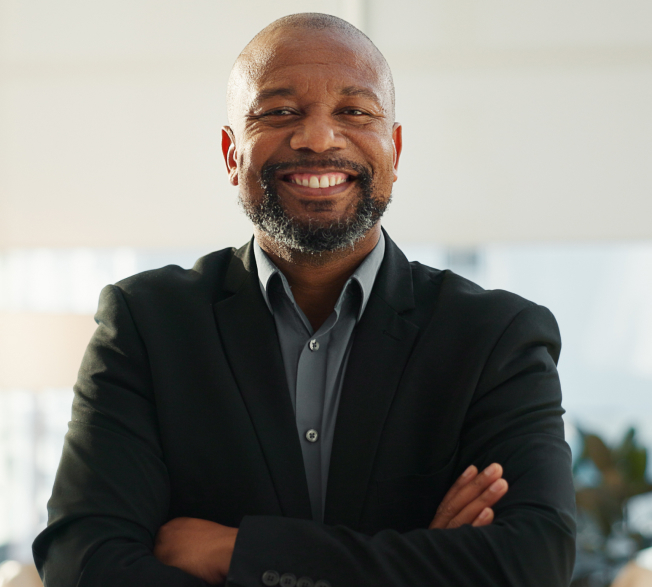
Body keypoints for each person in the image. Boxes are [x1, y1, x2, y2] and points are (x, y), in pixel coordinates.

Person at [33, 13, 576, 587]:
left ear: (394, 149)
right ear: (230, 154)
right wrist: (424, 564)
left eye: (354, 112)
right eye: (279, 112)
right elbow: (83, 565)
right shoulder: (145, 324)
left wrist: (237, 553)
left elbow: (531, 564)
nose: (318, 138)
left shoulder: (497, 336)